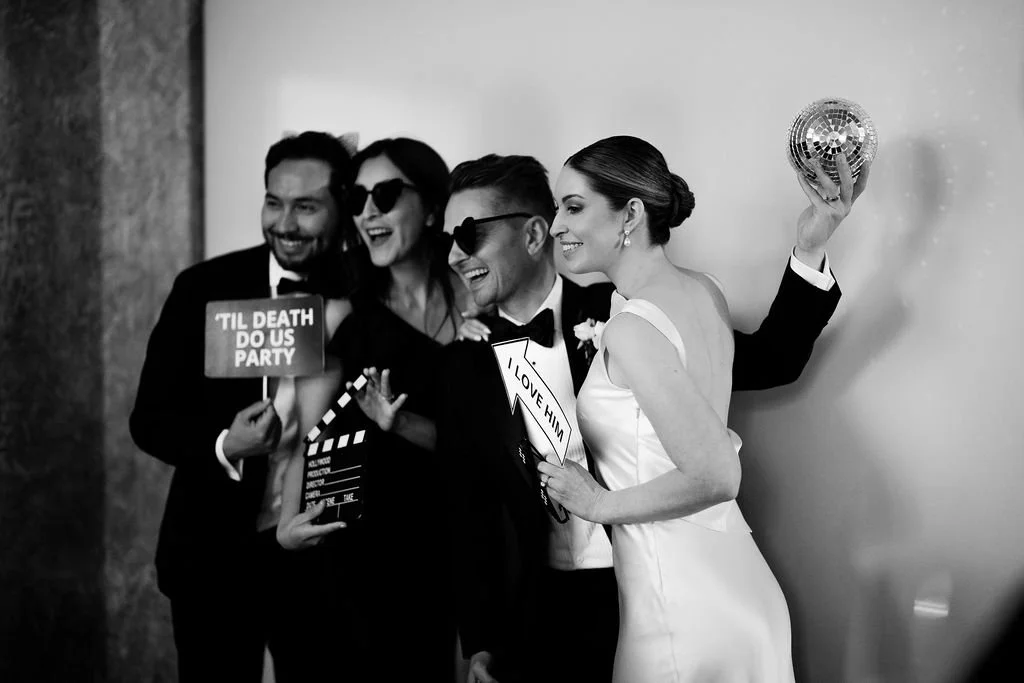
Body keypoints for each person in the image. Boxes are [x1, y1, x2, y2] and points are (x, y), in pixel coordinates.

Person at [439, 148, 866, 683]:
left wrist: (809, 250)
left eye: (470, 233)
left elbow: (766, 362)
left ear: (529, 234)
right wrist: (481, 639)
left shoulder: (621, 309)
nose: (455, 255)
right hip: (542, 607)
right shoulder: (461, 364)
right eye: (446, 240)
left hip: (641, 586)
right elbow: (468, 508)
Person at [129, 131, 357, 681]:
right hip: (212, 554)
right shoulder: (204, 287)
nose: (284, 223)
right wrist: (224, 444)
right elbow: (149, 419)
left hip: (324, 557)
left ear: (343, 208)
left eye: (306, 207)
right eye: (274, 202)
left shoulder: (365, 291)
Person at [276, 137, 476, 681]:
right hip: (366, 554)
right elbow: (307, 436)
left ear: (432, 206)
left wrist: (405, 423)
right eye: (357, 197)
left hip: (456, 539)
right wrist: (288, 527)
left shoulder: (480, 298)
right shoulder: (341, 313)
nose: (367, 213)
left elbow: (485, 445)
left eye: (385, 194)